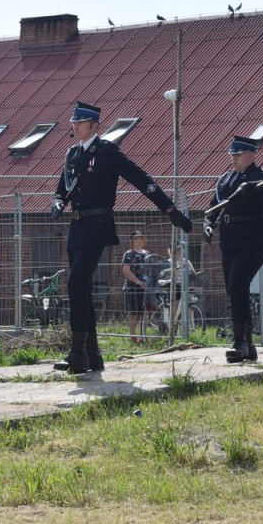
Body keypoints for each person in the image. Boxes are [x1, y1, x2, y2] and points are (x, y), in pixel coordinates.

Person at [52, 101, 192, 374]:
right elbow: (62, 190)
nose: (75, 126)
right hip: (76, 227)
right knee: (82, 289)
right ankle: (91, 356)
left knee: (76, 284)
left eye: (80, 122)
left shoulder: (106, 151)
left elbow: (141, 179)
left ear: (94, 125)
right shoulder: (72, 154)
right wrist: (57, 203)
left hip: (97, 224)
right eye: (74, 122)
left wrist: (169, 208)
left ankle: (77, 351)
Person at [202, 136, 263, 363]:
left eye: (238, 155)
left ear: (251, 154)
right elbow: (212, 208)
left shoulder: (261, 177)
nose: (233, 159)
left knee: (238, 284)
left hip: (252, 241)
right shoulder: (225, 179)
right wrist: (208, 225)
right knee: (234, 289)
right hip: (229, 241)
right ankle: (248, 345)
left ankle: (239, 342)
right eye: (231, 155)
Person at [121, 231, 149, 344]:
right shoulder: (128, 254)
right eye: (136, 239)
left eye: (140, 238)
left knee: (145, 313)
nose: (139, 241)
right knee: (134, 313)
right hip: (132, 288)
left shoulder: (147, 253)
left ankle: (144, 336)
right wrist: (139, 282)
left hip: (146, 288)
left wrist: (147, 283)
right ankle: (133, 337)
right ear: (132, 241)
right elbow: (126, 271)